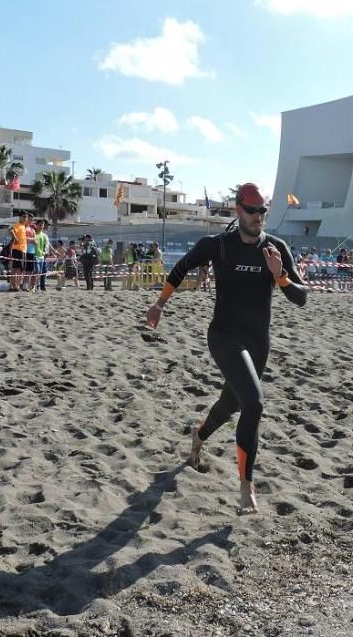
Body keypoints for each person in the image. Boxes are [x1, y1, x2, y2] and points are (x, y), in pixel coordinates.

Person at [146, 182, 307, 514]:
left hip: (258, 341)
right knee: (255, 403)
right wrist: (160, 304)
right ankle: (246, 488)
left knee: (232, 403)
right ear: (238, 210)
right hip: (223, 336)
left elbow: (301, 297)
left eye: (262, 210)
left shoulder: (275, 248)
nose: (258, 216)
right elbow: (181, 268)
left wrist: (281, 277)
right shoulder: (218, 245)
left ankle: (200, 435)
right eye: (252, 210)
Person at [8, 212, 28, 291]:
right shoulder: (17, 225)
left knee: (20, 269)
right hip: (17, 249)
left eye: (25, 217)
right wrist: (15, 238)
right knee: (15, 269)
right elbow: (11, 230)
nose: (25, 218)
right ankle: (14, 286)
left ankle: (16, 285)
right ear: (20, 217)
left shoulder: (23, 226)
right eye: (23, 217)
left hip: (23, 250)